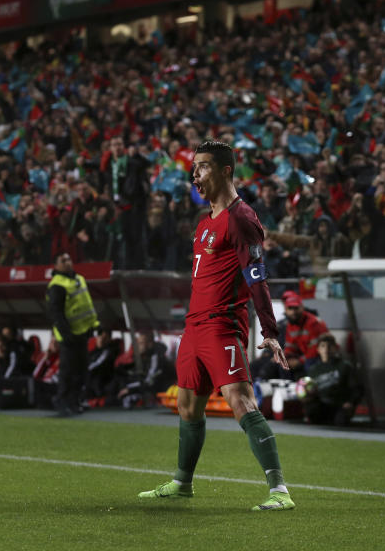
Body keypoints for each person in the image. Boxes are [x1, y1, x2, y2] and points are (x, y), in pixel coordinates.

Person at [137, 139, 295, 511]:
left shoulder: (241, 219)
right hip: (194, 325)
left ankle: (280, 491)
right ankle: (182, 483)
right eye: (194, 168)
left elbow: (257, 277)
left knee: (240, 400)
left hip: (222, 323)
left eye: (203, 167)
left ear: (226, 171)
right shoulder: (205, 221)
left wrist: (270, 331)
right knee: (188, 404)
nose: (195, 174)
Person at [46, 252, 100, 416]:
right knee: (67, 371)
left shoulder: (79, 279)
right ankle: (62, 403)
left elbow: (87, 306)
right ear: (56, 266)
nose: (67, 262)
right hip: (69, 336)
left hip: (82, 333)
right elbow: (56, 313)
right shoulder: (57, 285)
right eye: (63, 260)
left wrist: (95, 326)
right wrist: (66, 334)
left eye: (69, 259)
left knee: (81, 370)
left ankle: (74, 401)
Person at [301, 335, 361, 426]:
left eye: (330, 346)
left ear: (335, 348)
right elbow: (309, 390)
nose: (326, 349)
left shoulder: (345, 366)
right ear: (318, 350)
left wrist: (351, 402)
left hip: (340, 404)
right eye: (323, 346)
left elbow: (357, 388)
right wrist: (306, 396)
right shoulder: (313, 370)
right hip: (322, 405)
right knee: (311, 410)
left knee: (340, 422)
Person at [116, 331, 175, 408]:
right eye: (138, 343)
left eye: (141, 343)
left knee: (127, 399)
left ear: (150, 344)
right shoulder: (145, 358)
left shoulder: (156, 357)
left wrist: (129, 389)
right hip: (151, 391)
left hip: (162, 394)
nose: (138, 346)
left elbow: (150, 381)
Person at [281, 291, 333, 367]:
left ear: (302, 308)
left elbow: (316, 349)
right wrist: (285, 357)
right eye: (290, 308)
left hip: (322, 354)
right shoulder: (291, 323)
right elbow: (290, 346)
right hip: (306, 355)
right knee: (282, 364)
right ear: (286, 310)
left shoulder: (312, 322)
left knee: (309, 364)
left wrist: (300, 360)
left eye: (296, 308)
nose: (293, 312)